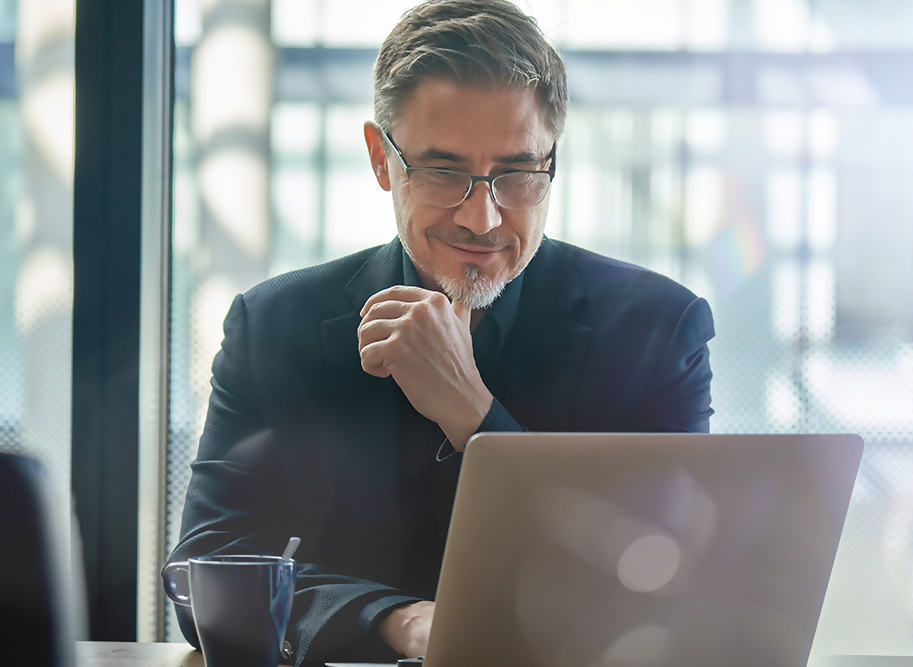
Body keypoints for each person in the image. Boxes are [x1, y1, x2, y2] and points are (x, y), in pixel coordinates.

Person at [164, 0, 714, 665]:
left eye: (516, 173)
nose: (482, 218)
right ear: (379, 159)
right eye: (444, 171)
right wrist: (395, 619)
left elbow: (667, 582)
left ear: (553, 162)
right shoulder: (272, 326)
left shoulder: (658, 331)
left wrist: (474, 417)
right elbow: (207, 573)